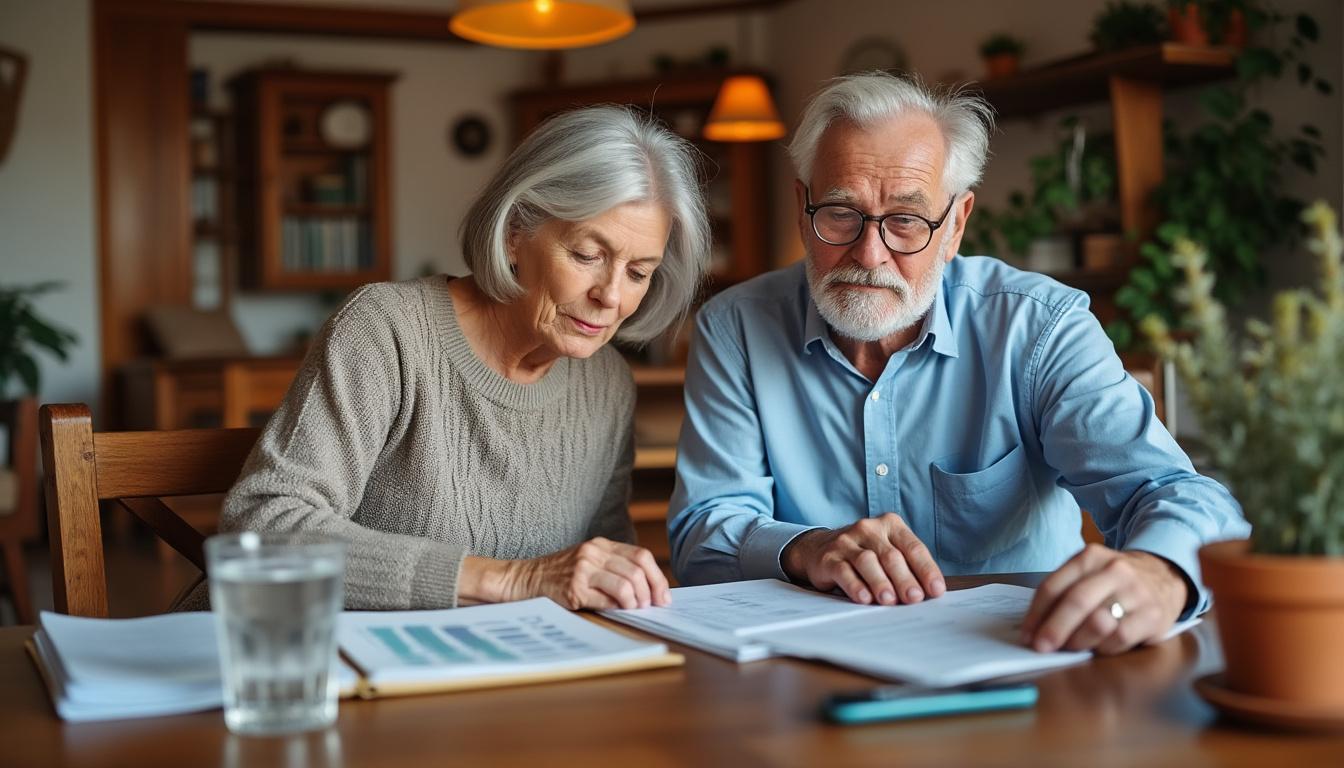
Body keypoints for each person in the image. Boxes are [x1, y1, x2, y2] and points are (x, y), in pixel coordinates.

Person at [668, 73, 1249, 655]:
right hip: (808, 674)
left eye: (906, 220)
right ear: (802, 208)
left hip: (1026, 662)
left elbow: (1174, 491)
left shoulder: (1037, 328)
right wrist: (806, 548)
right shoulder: (736, 327)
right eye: (841, 213)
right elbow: (702, 535)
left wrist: (1159, 573)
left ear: (955, 226)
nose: (870, 255)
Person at [185, 105, 710, 612]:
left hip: (458, 677)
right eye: (587, 255)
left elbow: (596, 567)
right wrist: (510, 580)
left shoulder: (608, 383)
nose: (612, 296)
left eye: (639, 272)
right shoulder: (385, 331)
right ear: (514, 234)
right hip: (268, 659)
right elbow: (264, 523)